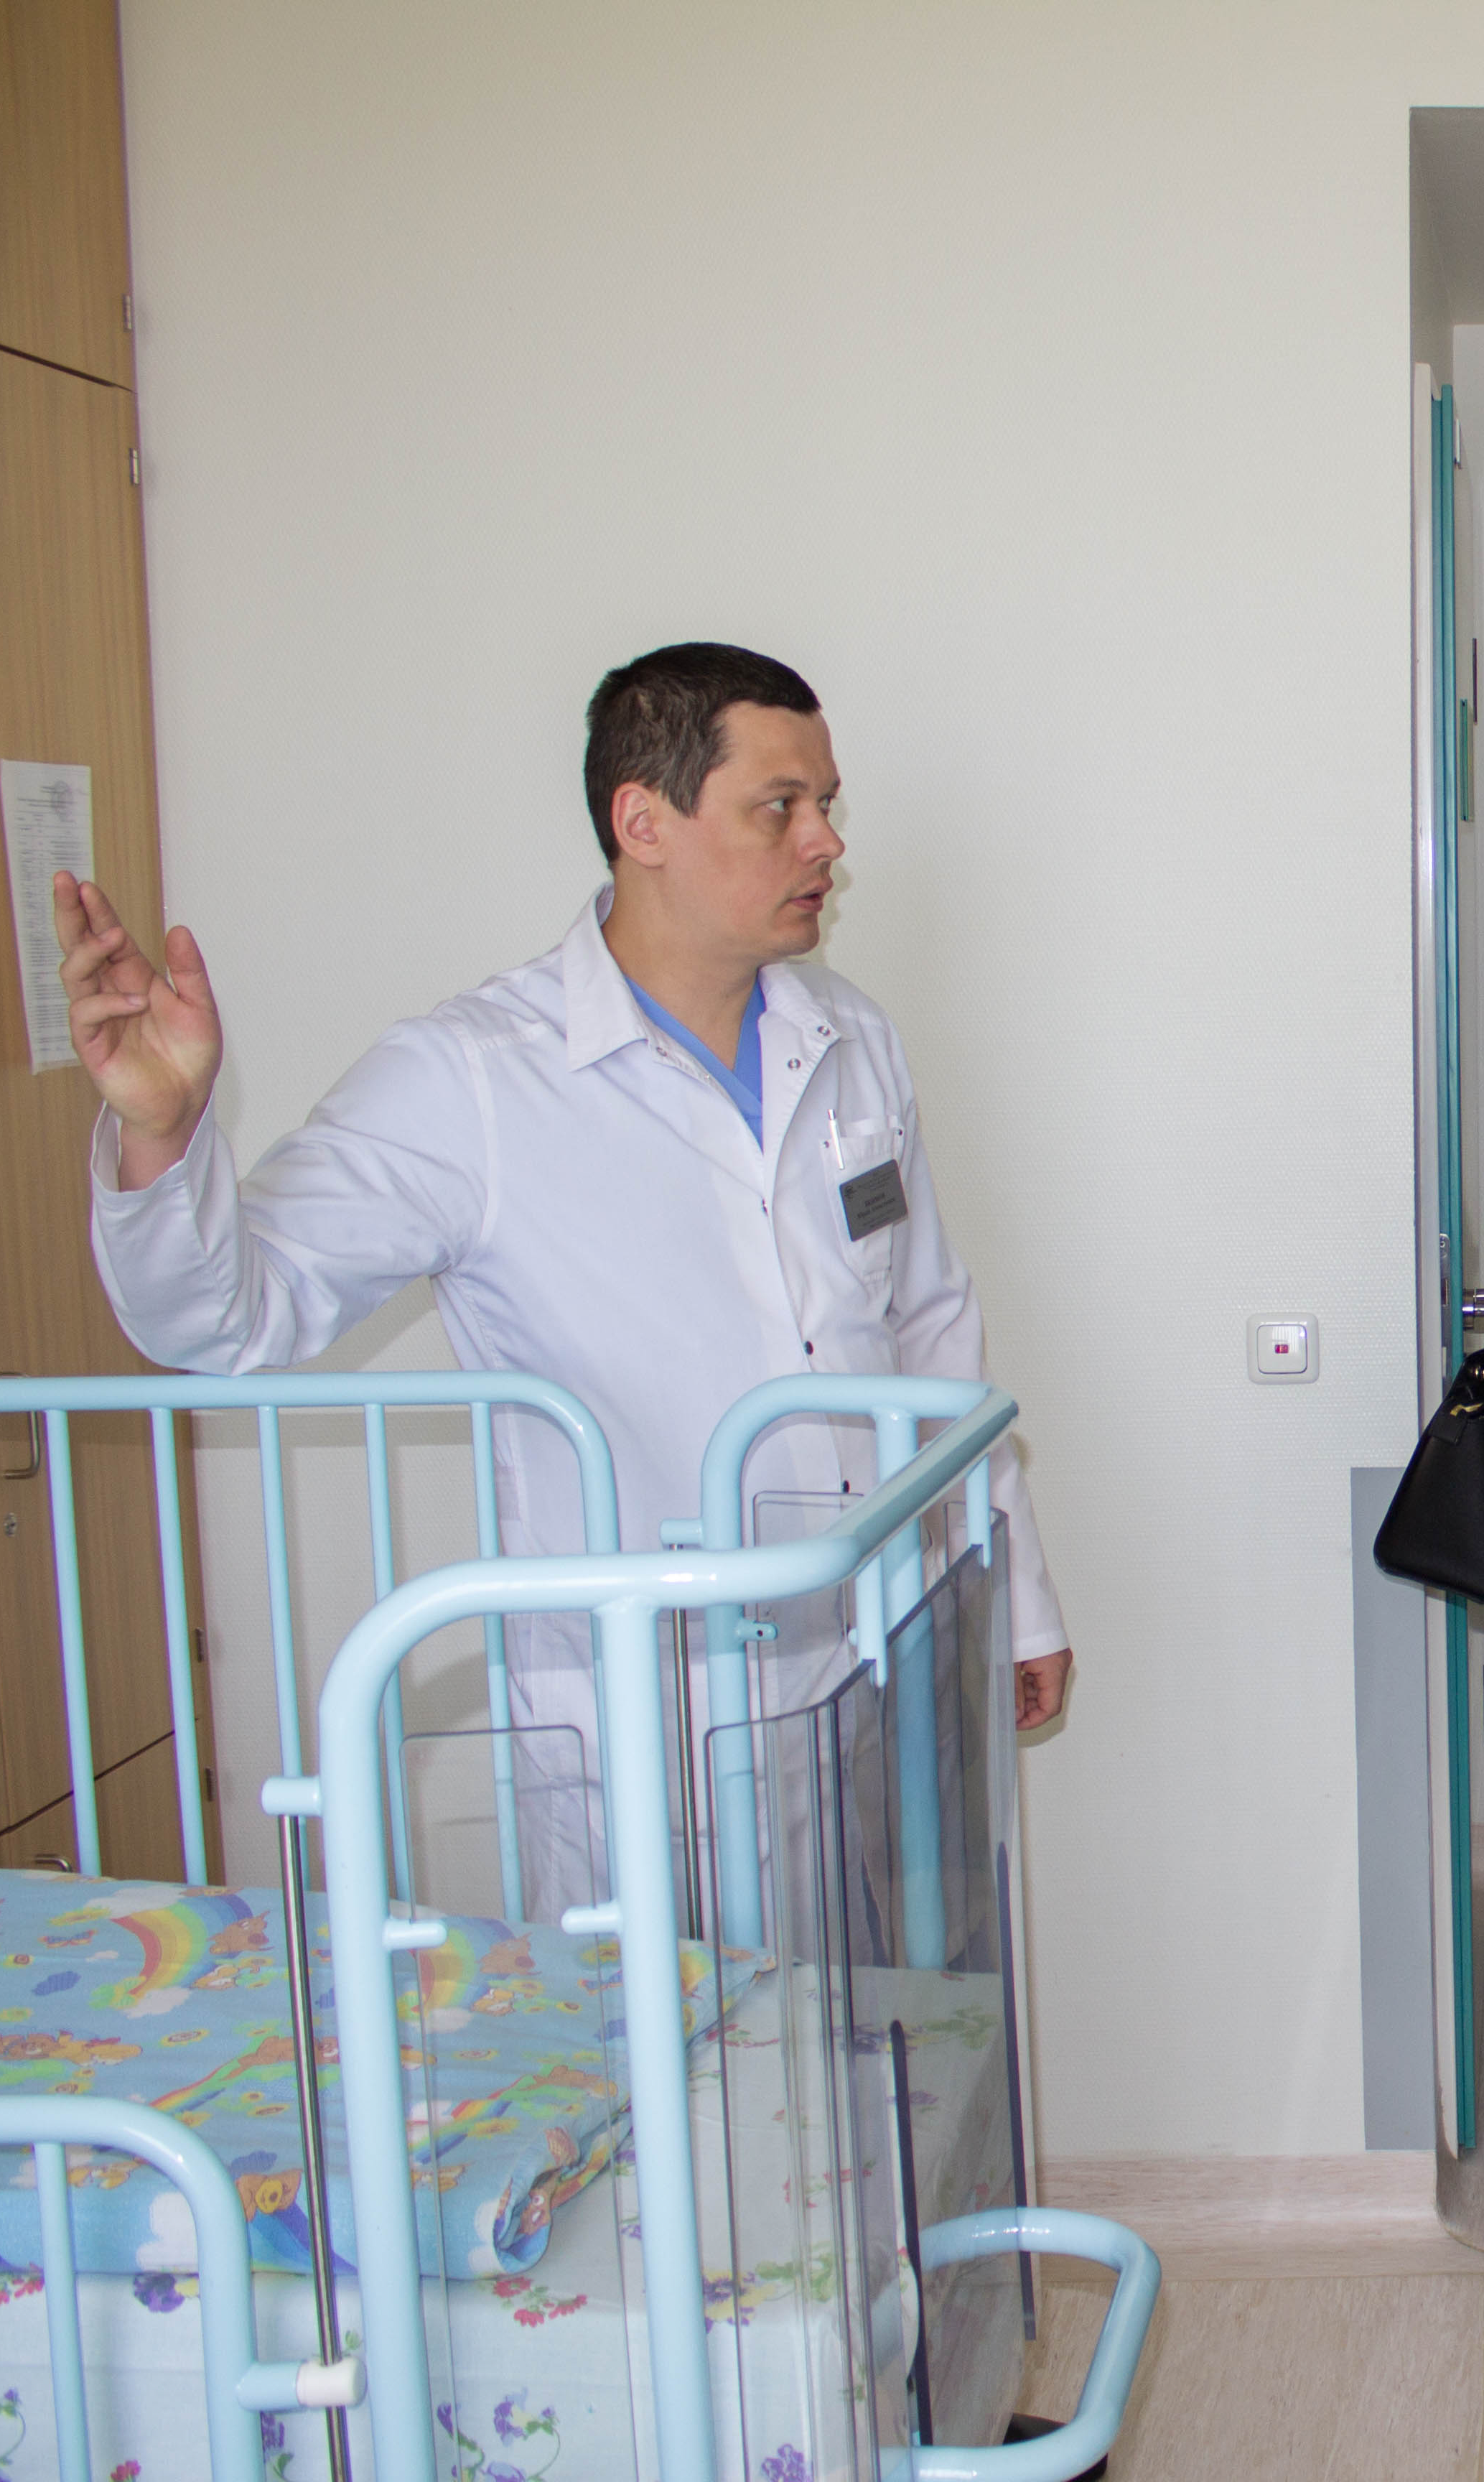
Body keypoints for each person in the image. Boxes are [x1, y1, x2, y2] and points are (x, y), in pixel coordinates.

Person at [56, 643, 1073, 1912]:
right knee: (678, 2021)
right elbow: (221, 1319)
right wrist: (162, 1132)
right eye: (780, 807)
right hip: (655, 1709)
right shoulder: (476, 1081)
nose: (826, 842)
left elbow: (930, 1331)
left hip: (889, 1647)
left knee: (899, 2006)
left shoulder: (849, 1035)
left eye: (826, 804)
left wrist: (1018, 1599)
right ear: (642, 822)